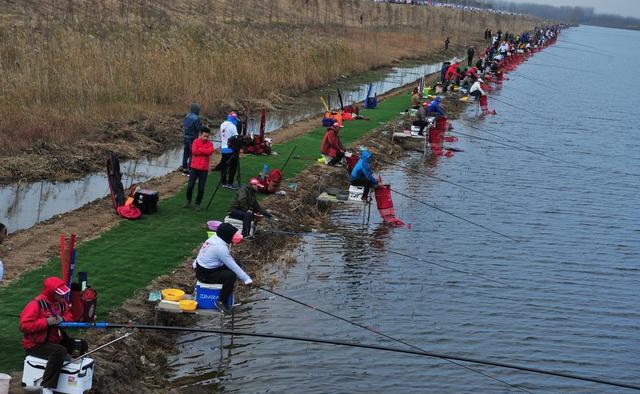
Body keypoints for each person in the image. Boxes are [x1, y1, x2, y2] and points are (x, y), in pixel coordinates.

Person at [19, 277, 88, 393]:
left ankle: (73, 380)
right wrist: (46, 322)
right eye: (60, 294)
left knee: (81, 344)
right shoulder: (35, 304)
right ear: (51, 293)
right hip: (34, 345)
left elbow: (70, 318)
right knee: (59, 351)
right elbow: (24, 325)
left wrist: (63, 319)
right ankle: (46, 387)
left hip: (55, 341)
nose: (63, 297)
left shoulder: (61, 303)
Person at [193, 223, 251, 314]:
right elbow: (233, 266)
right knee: (231, 275)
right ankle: (221, 302)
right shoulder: (220, 248)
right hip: (205, 275)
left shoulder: (213, 238)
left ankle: (228, 289)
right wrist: (247, 279)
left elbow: (201, 253)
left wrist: (194, 264)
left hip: (204, 268)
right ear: (227, 236)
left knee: (234, 269)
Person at [184, 127, 214, 211]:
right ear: (201, 134)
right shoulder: (195, 141)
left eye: (207, 136)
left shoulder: (210, 144)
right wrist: (204, 151)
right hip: (194, 168)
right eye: (204, 136)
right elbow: (194, 151)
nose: (205, 138)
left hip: (204, 169)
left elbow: (210, 151)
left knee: (201, 188)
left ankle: (197, 204)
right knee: (190, 186)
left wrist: (200, 149)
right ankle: (188, 200)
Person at [217, 112, 240, 188]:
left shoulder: (222, 124)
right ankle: (230, 183)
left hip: (224, 149)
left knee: (224, 166)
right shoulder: (233, 126)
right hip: (231, 149)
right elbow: (236, 138)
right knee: (233, 166)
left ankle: (223, 182)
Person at [182, 103, 202, 174]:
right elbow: (198, 128)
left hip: (185, 137)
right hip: (192, 138)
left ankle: (184, 169)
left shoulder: (187, 115)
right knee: (192, 154)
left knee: (185, 154)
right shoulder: (196, 118)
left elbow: (184, 125)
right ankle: (190, 169)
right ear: (196, 109)